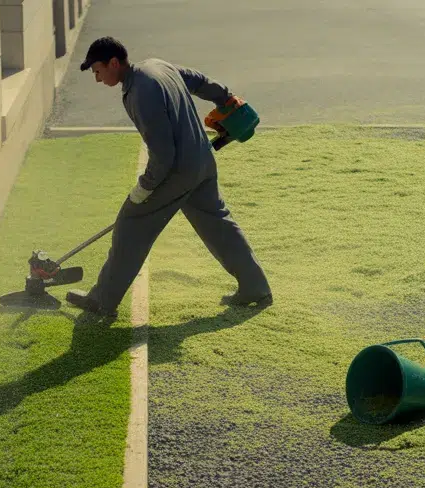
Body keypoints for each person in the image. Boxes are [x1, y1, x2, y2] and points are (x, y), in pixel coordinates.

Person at [65, 36, 273, 318]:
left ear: (113, 62)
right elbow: (199, 81)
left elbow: (163, 154)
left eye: (98, 71)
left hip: (178, 171)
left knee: (130, 224)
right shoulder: (157, 66)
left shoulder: (140, 92)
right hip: (202, 161)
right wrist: (226, 98)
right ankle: (255, 286)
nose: (98, 79)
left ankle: (102, 301)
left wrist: (144, 188)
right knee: (218, 223)